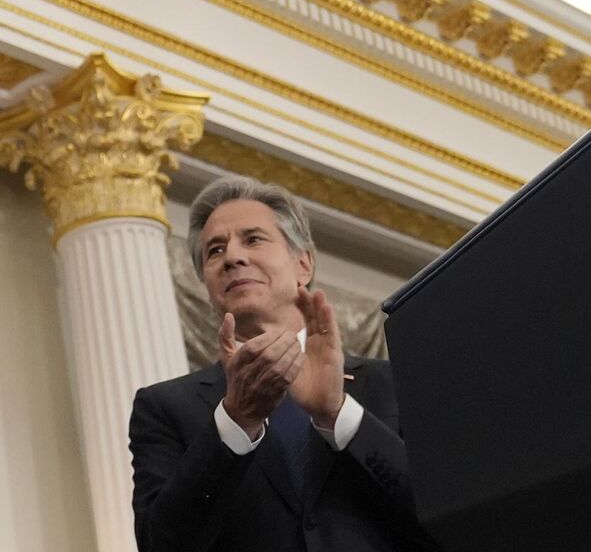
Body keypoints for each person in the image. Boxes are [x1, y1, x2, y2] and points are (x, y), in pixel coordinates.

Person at [127, 176, 439, 551]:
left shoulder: (392, 382)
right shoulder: (163, 407)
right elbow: (161, 544)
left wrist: (338, 416)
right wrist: (236, 421)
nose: (232, 257)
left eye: (253, 239)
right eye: (214, 250)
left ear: (303, 264)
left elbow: (444, 515)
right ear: (205, 284)